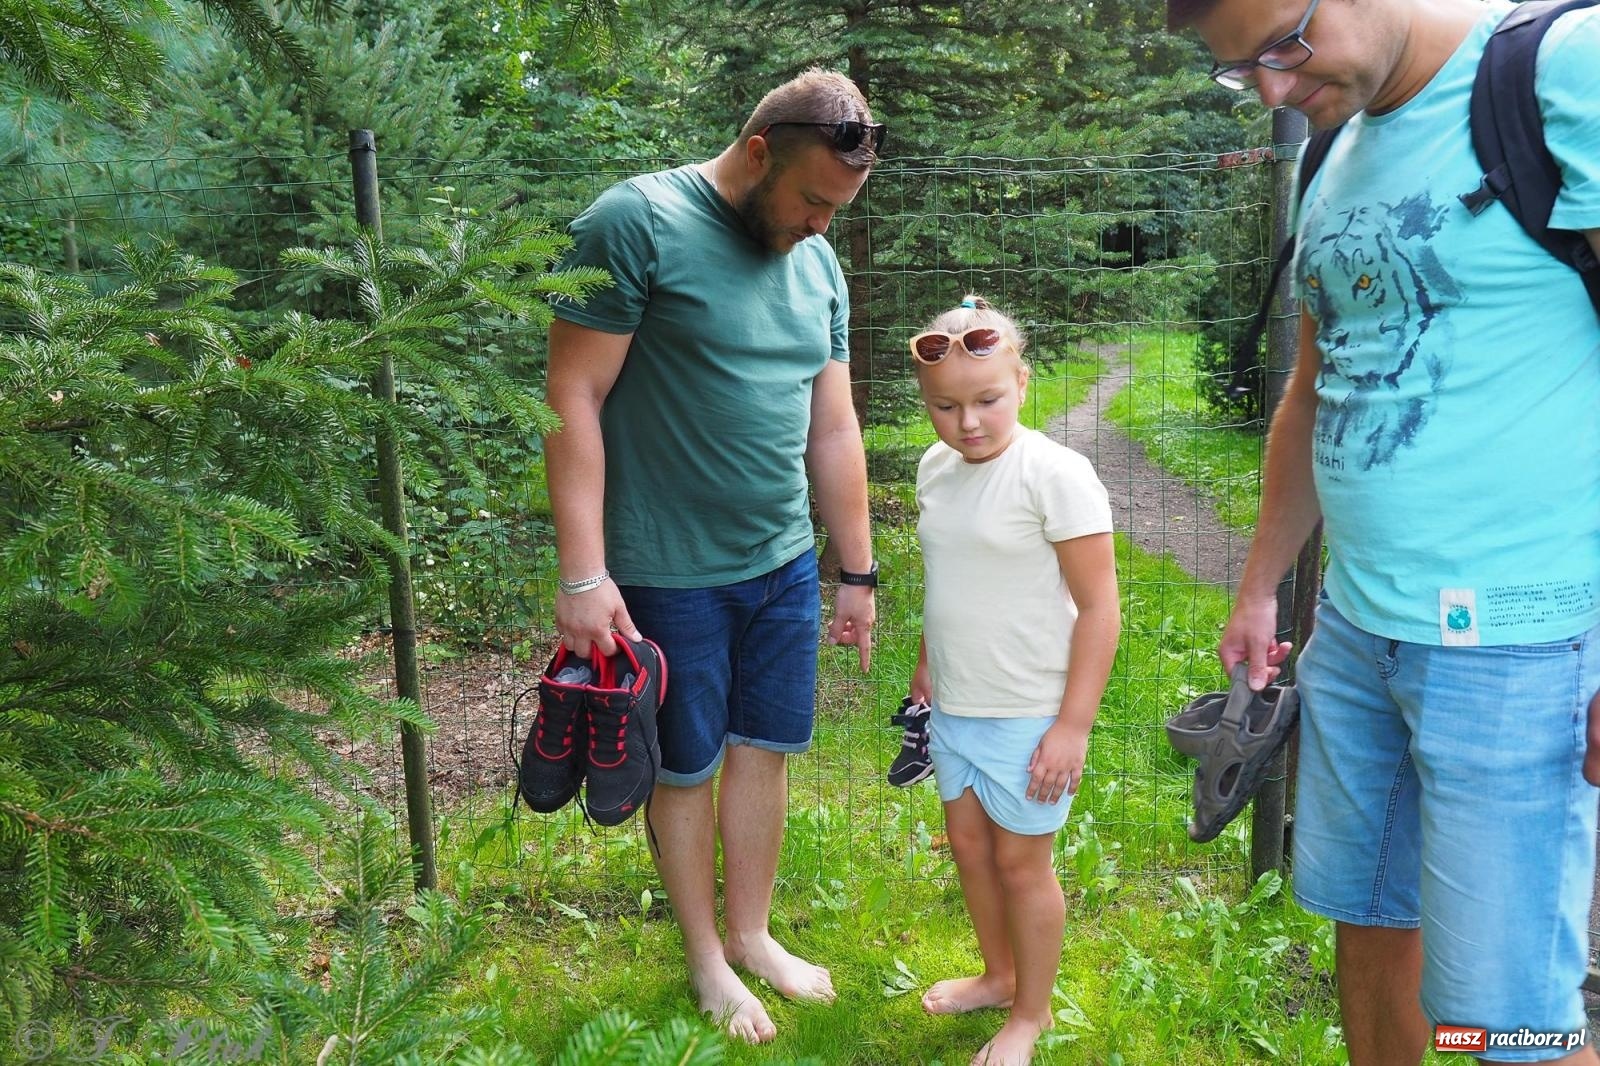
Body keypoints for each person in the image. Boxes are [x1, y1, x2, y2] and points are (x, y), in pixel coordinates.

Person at [1167, 0, 1600, 1062]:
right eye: (1239, 72)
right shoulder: (1336, 151)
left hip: (1513, 646)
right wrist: (1260, 582)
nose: (1271, 89)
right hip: (1354, 634)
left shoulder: (1556, 74)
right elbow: (1313, 395)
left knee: (1506, 1013)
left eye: (1282, 46)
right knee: (1369, 924)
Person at [543, 70, 881, 1044]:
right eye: (814, 199)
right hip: (664, 570)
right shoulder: (633, 224)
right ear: (760, 148)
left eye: (840, 208)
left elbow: (833, 428)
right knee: (684, 769)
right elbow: (571, 398)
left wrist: (852, 569)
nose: (823, 224)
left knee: (764, 751)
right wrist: (583, 573)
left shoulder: (818, 267)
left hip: (780, 564)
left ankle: (751, 933)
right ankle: (703, 958)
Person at [906, 296, 1120, 1066]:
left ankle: (1031, 1014)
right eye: (946, 406)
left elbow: (1099, 608)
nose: (967, 423)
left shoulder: (1056, 475)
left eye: (987, 400)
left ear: (1022, 383)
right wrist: (928, 667)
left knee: (1022, 864)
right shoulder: (936, 469)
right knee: (968, 846)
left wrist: (1073, 726)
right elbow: (947, 578)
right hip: (956, 708)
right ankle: (999, 976)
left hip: (1031, 711)